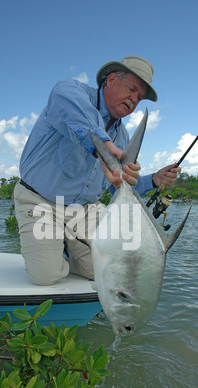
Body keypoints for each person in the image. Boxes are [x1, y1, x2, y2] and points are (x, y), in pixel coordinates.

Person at [14, 56, 180, 285]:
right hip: (39, 201)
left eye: (139, 98)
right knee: (47, 276)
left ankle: (69, 247)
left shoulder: (122, 137)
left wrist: (154, 179)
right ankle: (55, 247)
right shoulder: (72, 93)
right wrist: (104, 147)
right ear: (111, 79)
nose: (134, 100)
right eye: (132, 89)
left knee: (112, 270)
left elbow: (117, 189)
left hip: (84, 209)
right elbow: (70, 105)